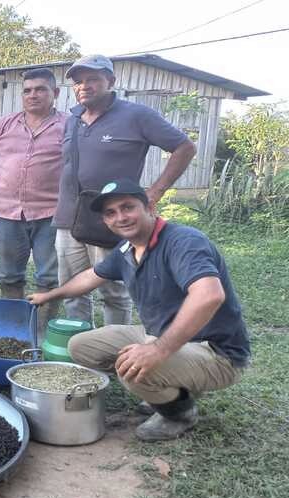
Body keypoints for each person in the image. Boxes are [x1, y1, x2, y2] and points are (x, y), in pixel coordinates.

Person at [29, 179, 250, 441]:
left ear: (150, 207)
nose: (120, 217)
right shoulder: (127, 248)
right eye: (110, 213)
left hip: (215, 352)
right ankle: (171, 387)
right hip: (156, 334)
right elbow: (90, 277)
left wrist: (158, 350)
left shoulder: (184, 241)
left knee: (132, 370)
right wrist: (50, 295)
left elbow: (209, 295)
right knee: (80, 346)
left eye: (127, 207)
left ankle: (179, 412)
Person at [54, 55, 196, 326]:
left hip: (113, 220)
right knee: (73, 291)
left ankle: (112, 354)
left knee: (114, 292)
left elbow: (184, 147)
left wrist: (155, 192)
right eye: (78, 81)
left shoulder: (136, 115)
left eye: (93, 79)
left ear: (111, 81)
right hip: (68, 218)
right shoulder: (73, 119)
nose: (84, 86)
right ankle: (83, 353)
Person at [0, 68, 67, 339]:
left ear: (55, 93)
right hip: (8, 211)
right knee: (9, 275)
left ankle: (40, 334)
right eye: (28, 90)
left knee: (48, 277)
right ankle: (14, 330)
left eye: (41, 89)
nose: (33, 95)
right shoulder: (4, 124)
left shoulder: (69, 125)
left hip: (51, 212)